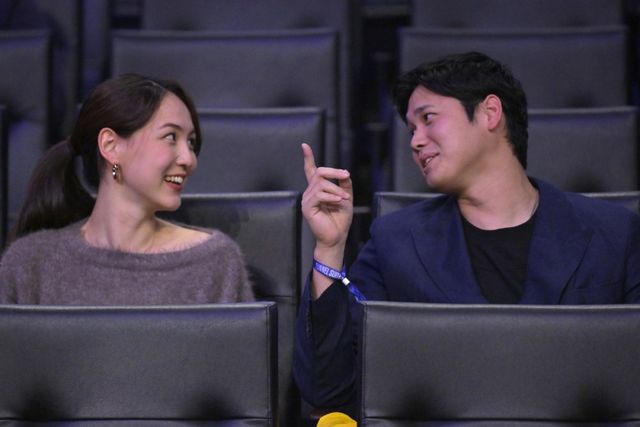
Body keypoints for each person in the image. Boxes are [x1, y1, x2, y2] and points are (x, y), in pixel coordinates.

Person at [293, 51, 640, 413]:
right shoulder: (395, 241)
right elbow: (329, 391)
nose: (415, 141)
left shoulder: (614, 233)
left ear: (490, 113)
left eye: (428, 119)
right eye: (411, 130)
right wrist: (329, 248)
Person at [0, 73, 254, 304]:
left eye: (191, 143)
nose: (189, 159)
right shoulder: (30, 263)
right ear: (111, 146)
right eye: (170, 137)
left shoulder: (215, 262)